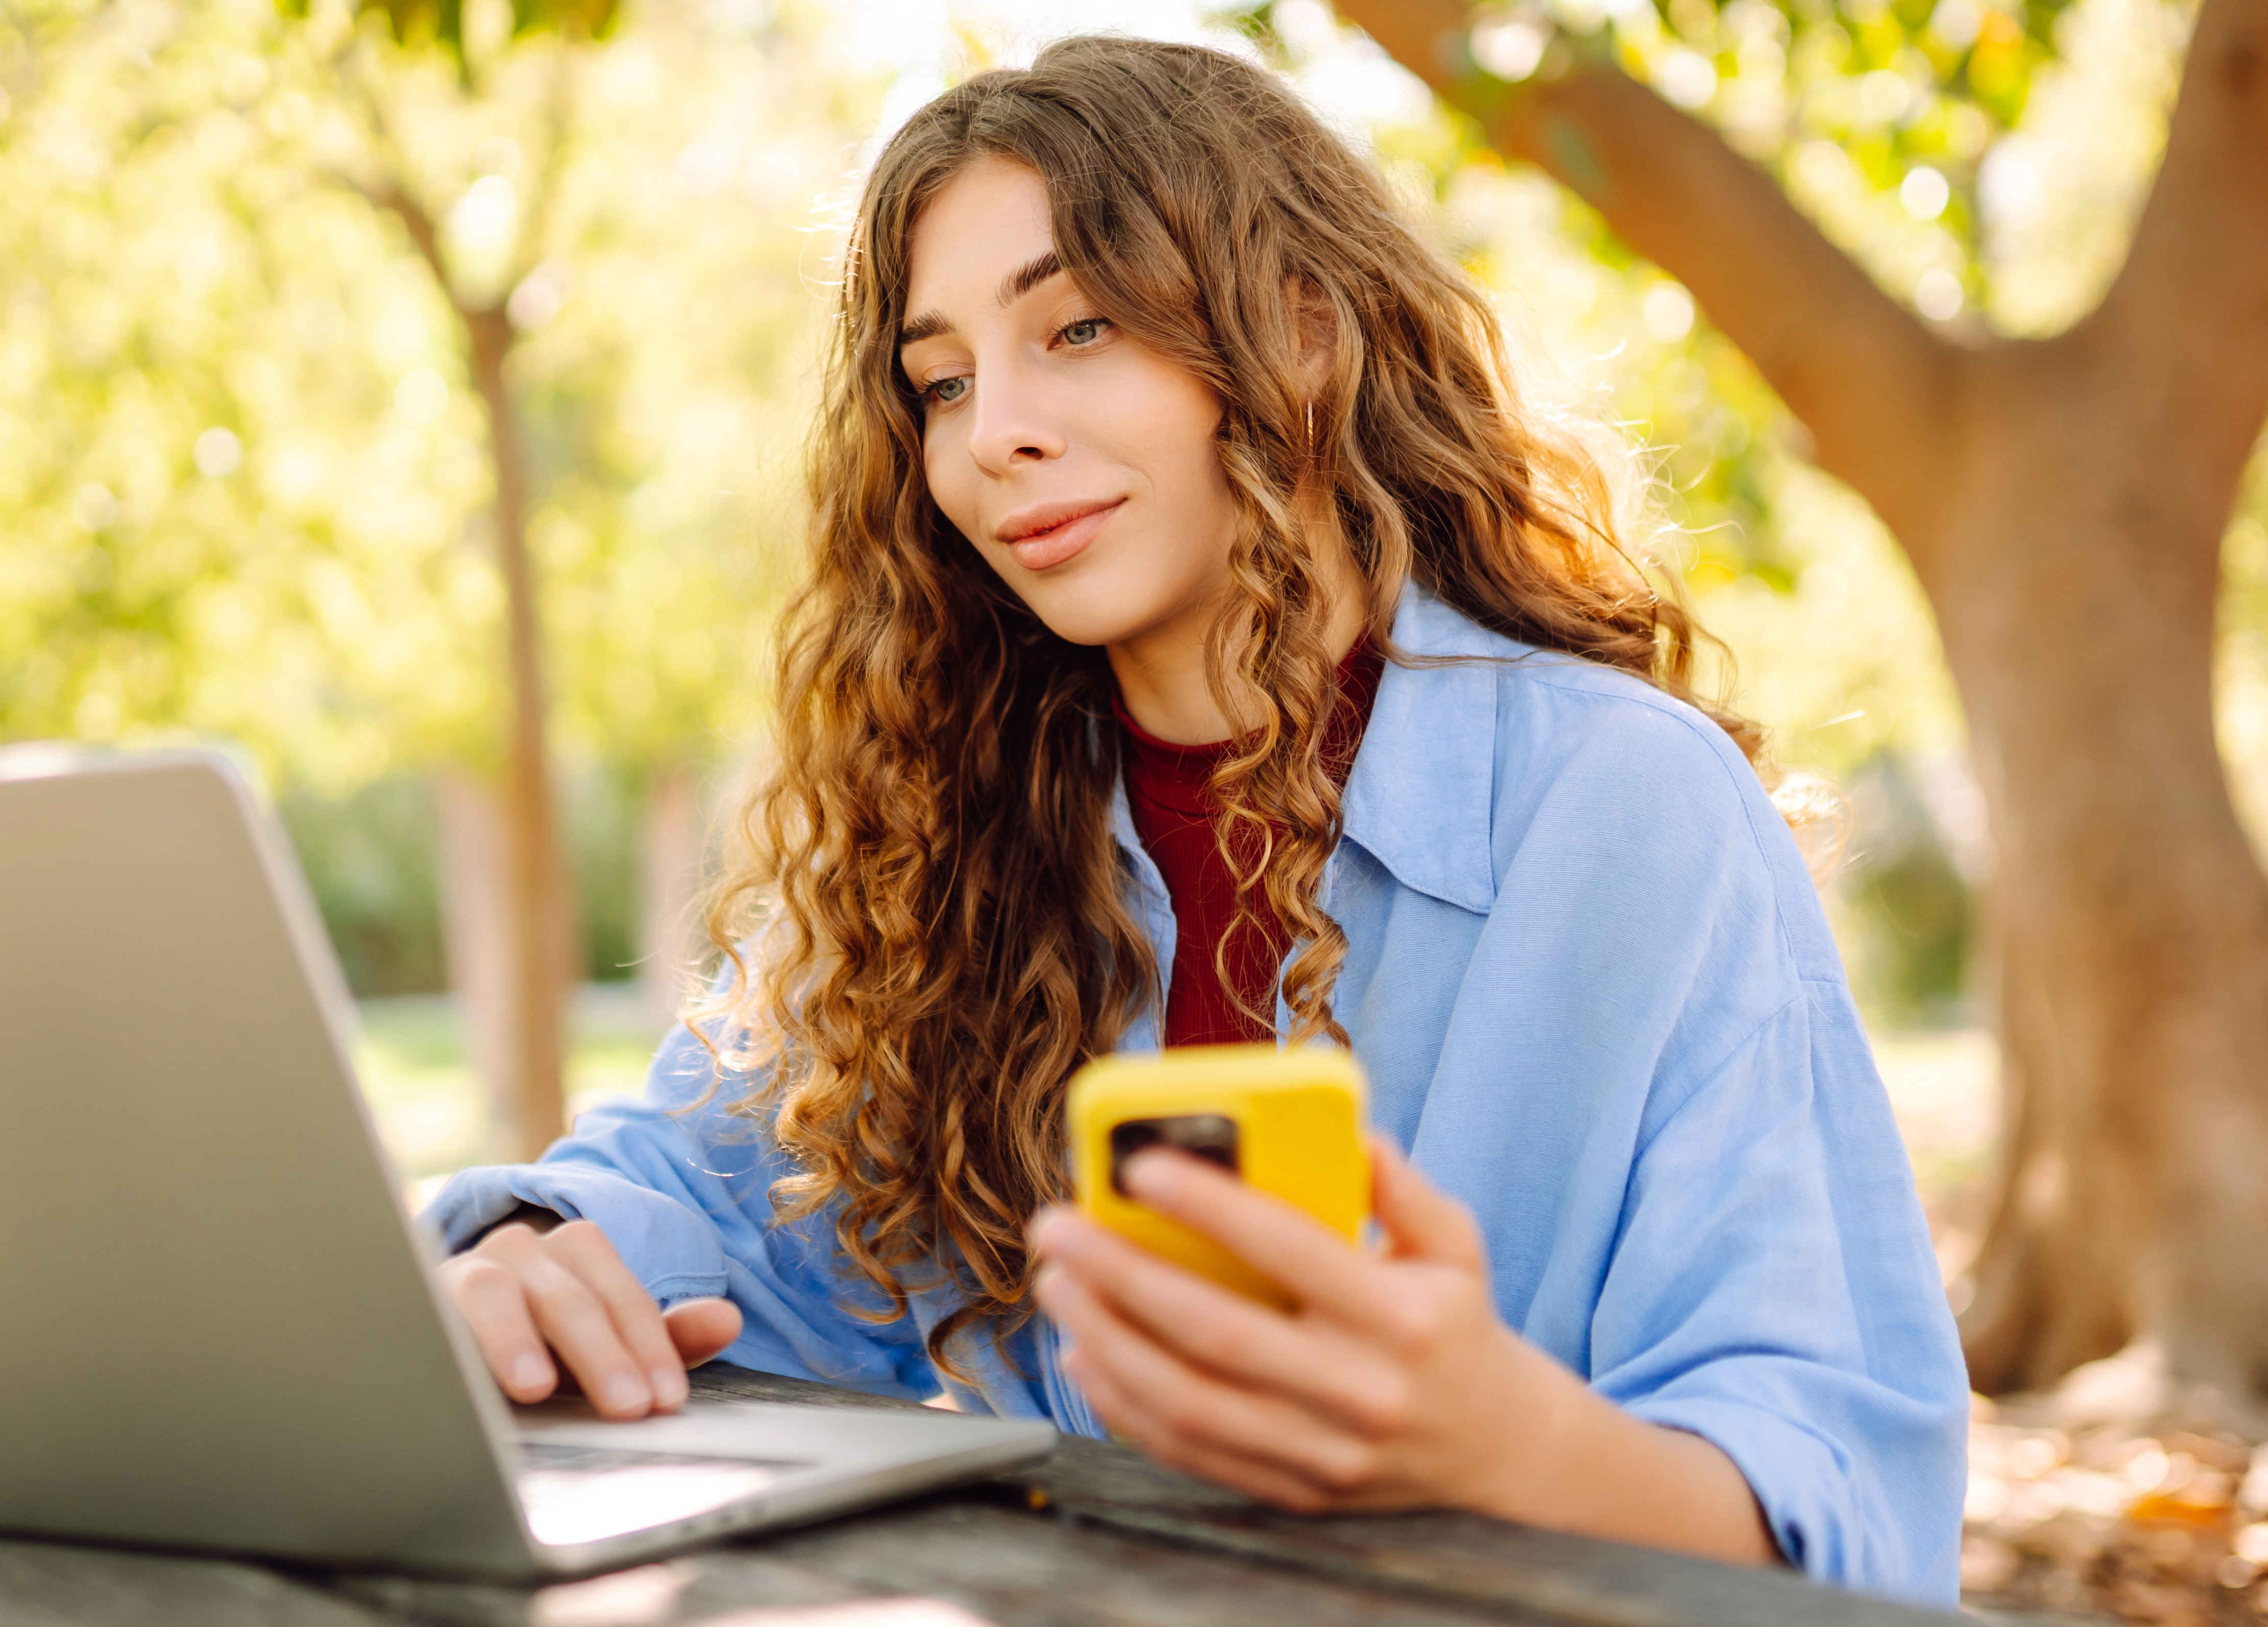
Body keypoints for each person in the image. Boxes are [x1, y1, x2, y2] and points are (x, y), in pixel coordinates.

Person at [419, 35, 1968, 1603]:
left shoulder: (1626, 811)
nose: (990, 435)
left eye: (1076, 327)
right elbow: (700, 1205)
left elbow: (1839, 1512)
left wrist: (1500, 1445)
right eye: (941, 380)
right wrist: (531, 1257)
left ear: (1298, 330)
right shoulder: (938, 836)